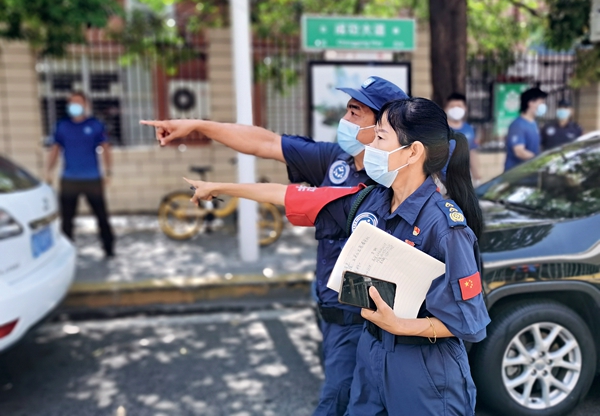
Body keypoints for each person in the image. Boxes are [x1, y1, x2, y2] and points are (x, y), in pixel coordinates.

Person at [183, 97, 490, 415]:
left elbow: (468, 321)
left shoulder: (445, 227)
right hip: (371, 353)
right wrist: (222, 188)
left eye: (381, 137)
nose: (369, 144)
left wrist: (403, 326)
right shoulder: (370, 201)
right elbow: (294, 196)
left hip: (424, 372)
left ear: (413, 152)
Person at [141, 77, 408, 416]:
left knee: (338, 402)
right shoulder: (334, 160)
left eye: (356, 112)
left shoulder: (395, 182)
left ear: (385, 126)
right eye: (348, 110)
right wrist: (197, 125)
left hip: (363, 316)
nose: (346, 120)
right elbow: (264, 142)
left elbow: (287, 196)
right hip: (329, 306)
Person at [45, 91, 115, 258]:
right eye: (71, 103)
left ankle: (109, 248)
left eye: (78, 102)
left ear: (86, 105)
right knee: (67, 220)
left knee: (101, 217)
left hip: (92, 180)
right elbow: (55, 149)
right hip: (69, 180)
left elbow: (106, 148)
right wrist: (48, 171)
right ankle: (66, 252)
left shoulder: (96, 125)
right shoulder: (62, 126)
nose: (74, 106)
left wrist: (108, 171)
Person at [504, 87, 547, 171]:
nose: (543, 106)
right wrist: (540, 161)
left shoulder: (534, 123)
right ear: (531, 103)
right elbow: (519, 151)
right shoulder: (518, 125)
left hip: (530, 173)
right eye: (541, 103)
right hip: (517, 175)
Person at [445, 92, 481, 184]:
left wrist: (477, 175)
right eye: (452, 106)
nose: (456, 109)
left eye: (459, 106)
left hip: (463, 176)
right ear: (446, 109)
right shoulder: (441, 129)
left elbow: (471, 152)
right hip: (444, 176)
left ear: (465, 108)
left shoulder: (469, 129)